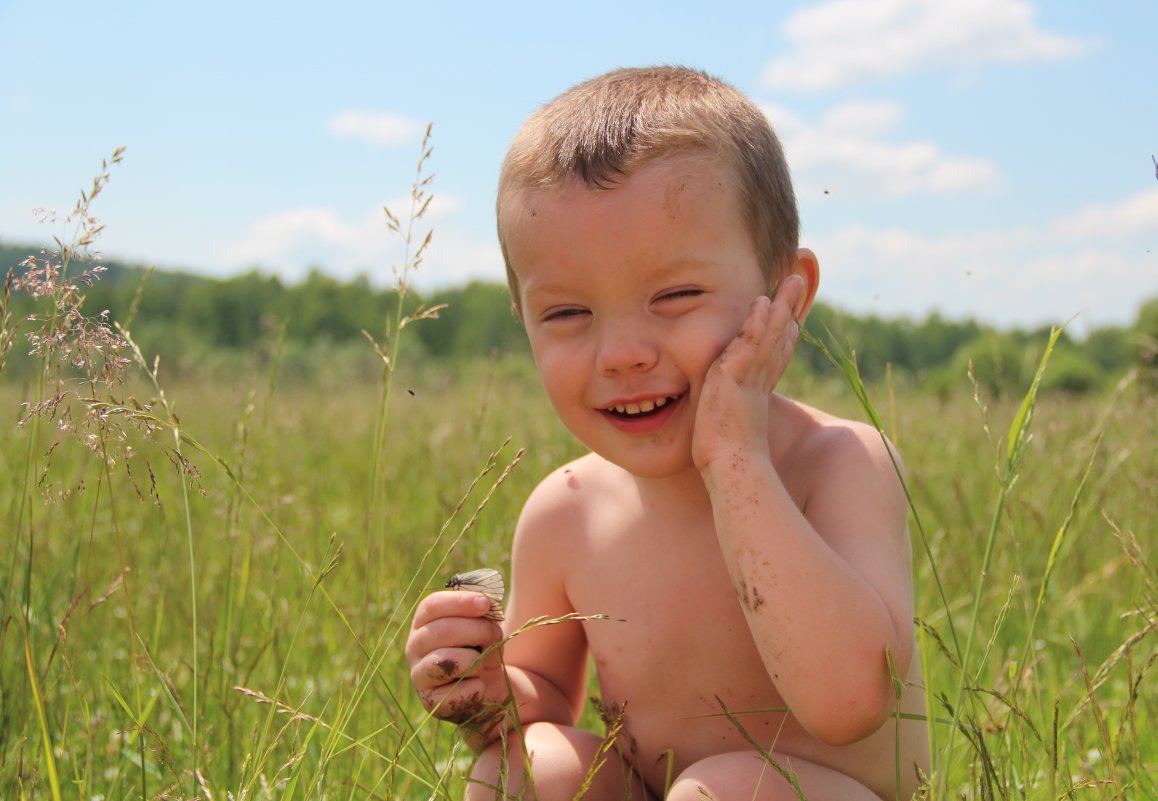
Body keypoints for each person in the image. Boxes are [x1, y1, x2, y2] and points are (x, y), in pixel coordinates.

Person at [406, 66, 930, 801]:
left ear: (786, 296)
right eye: (567, 314)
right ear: (523, 320)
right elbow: (545, 699)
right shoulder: (567, 509)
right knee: (526, 767)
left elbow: (848, 703)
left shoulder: (836, 463)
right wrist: (484, 684)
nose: (622, 352)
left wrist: (735, 457)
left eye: (677, 296)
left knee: (723, 789)